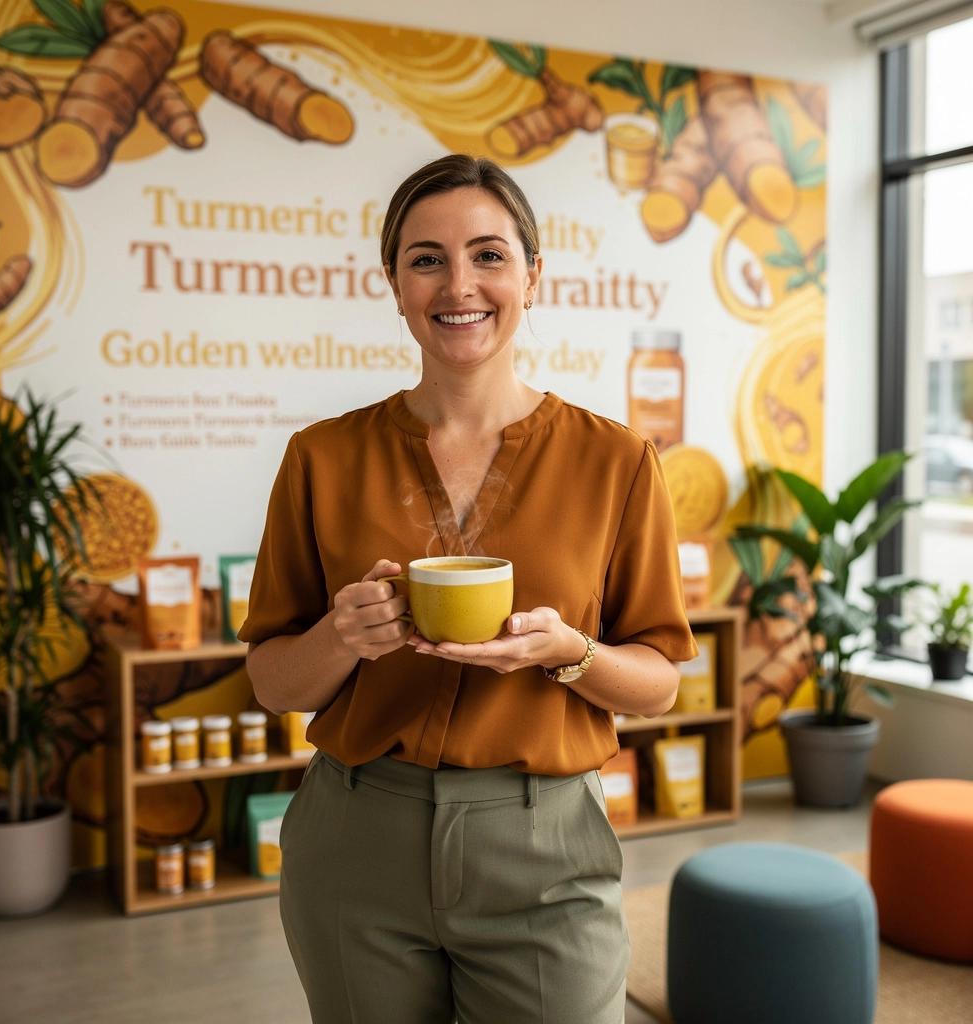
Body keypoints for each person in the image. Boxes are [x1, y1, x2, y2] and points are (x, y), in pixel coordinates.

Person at [238, 153, 697, 1024]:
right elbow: (273, 683)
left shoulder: (618, 461)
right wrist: (342, 637)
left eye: (489, 255)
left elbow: (660, 681)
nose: (460, 284)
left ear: (533, 274)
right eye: (427, 259)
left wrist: (571, 655)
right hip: (356, 838)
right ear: (395, 283)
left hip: (544, 844)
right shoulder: (320, 458)